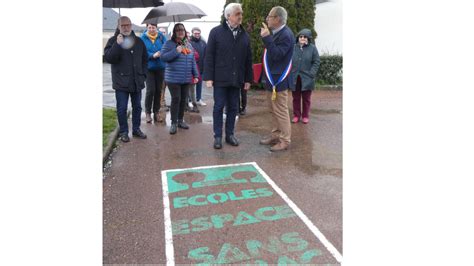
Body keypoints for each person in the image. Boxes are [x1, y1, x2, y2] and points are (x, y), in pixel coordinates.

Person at [203, 3, 253, 149]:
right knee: (218, 107)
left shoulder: (244, 35)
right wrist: (208, 77)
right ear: (228, 16)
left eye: (241, 14)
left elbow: (248, 59)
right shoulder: (216, 32)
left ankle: (230, 134)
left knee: (233, 108)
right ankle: (217, 136)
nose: (241, 17)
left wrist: (248, 79)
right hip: (220, 78)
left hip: (237, 79)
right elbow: (209, 56)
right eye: (238, 14)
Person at [104, 16, 147, 142]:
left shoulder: (139, 41)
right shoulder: (113, 41)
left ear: (131, 25)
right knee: (122, 108)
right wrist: (117, 45)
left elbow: (145, 60)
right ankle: (123, 131)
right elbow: (109, 59)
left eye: (128, 25)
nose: (126, 27)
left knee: (137, 107)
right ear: (118, 26)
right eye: (123, 25)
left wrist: (143, 75)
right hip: (121, 82)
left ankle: (136, 129)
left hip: (136, 81)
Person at [259, 6, 294, 152]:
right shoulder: (276, 32)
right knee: (272, 110)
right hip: (271, 78)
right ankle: (275, 135)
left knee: (280, 111)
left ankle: (285, 140)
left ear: (277, 19)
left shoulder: (286, 35)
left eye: (270, 16)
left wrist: (266, 38)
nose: (267, 19)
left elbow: (277, 55)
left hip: (279, 80)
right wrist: (268, 37)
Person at [160, 23, 199, 135]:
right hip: (173, 78)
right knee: (176, 99)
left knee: (183, 100)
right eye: (178, 30)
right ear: (174, 32)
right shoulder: (169, 44)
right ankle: (173, 123)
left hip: (186, 78)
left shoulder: (188, 45)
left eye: (182, 29)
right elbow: (163, 57)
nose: (180, 31)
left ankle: (180, 120)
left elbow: (192, 61)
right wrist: (176, 51)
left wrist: (195, 75)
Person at [290, 28, 320, 124]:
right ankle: (296, 115)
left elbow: (316, 62)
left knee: (306, 99)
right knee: (296, 98)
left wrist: (312, 73)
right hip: (295, 77)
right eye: (301, 36)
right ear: (298, 38)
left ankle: (305, 116)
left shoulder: (312, 48)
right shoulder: (293, 47)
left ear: (308, 38)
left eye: (304, 37)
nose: (302, 38)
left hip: (307, 78)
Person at [141, 23, 167, 123]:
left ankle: (156, 112)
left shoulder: (161, 37)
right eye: (150, 28)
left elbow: (166, 47)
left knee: (158, 91)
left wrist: (162, 53)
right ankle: (148, 112)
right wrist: (152, 55)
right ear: (147, 28)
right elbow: (142, 52)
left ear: (156, 28)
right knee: (150, 90)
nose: (152, 29)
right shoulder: (143, 38)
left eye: (153, 27)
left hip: (160, 67)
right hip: (149, 68)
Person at [190, 27, 207, 106]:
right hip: (192, 68)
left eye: (198, 33)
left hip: (201, 67)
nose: (197, 35)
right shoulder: (189, 42)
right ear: (192, 33)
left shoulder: (203, 43)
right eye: (195, 33)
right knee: (191, 86)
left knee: (199, 85)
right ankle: (190, 100)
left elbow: (206, 55)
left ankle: (199, 99)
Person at [158, 27, 170, 112]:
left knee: (165, 87)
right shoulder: (157, 42)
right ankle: (160, 104)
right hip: (159, 68)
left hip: (167, 68)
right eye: (161, 32)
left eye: (164, 32)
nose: (163, 33)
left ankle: (163, 102)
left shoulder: (167, 42)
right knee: (161, 87)